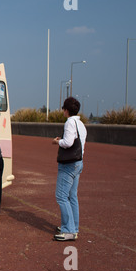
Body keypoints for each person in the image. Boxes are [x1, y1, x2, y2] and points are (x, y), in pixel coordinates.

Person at [52, 97, 87, 241]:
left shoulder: (69, 123)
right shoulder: (80, 124)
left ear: (66, 110)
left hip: (68, 164)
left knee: (61, 196)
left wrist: (57, 141)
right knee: (72, 196)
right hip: (78, 162)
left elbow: (67, 142)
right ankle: (73, 226)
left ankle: (69, 230)